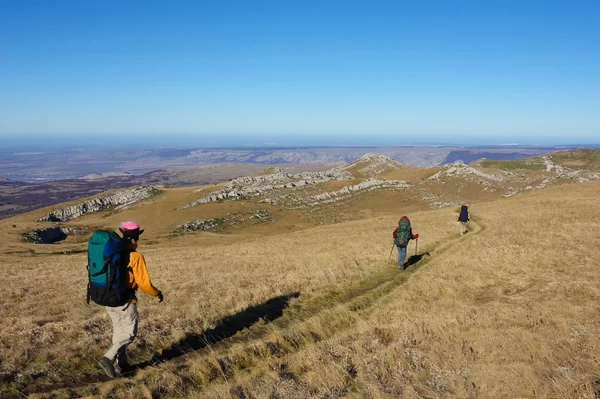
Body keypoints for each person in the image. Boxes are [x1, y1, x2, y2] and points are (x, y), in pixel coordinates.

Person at [98, 221, 163, 378]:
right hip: (126, 302)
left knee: (118, 332)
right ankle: (107, 358)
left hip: (109, 299)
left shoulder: (113, 253)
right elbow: (144, 283)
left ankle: (123, 364)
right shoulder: (136, 256)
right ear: (135, 237)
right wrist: (157, 293)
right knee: (129, 335)